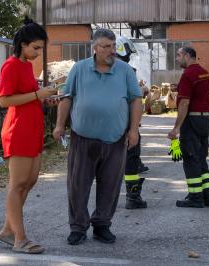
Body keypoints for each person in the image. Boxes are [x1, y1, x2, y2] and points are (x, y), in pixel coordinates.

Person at [53, 28, 143, 245]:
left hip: (115, 139)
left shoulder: (125, 71)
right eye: (106, 47)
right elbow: (67, 98)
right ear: (94, 47)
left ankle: (102, 225)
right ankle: (78, 227)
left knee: (110, 186)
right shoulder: (80, 69)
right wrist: (59, 126)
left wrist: (133, 130)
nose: (111, 51)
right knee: (77, 186)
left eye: (113, 47)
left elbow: (136, 100)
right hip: (83, 138)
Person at [0, 17, 55, 254]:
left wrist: (45, 99)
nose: (39, 53)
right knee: (17, 184)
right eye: (36, 48)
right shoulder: (10, 65)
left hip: (32, 129)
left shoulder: (27, 67)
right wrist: (37, 95)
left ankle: (8, 231)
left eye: (41, 48)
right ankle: (20, 239)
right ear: (23, 44)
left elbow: (29, 97)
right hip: (18, 130)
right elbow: (3, 100)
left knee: (28, 182)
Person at [167, 46, 209, 208]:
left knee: (191, 158)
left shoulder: (187, 74)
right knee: (201, 158)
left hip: (192, 121)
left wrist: (176, 128)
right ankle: (208, 195)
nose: (177, 59)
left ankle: (196, 197)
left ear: (188, 56)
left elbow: (185, 102)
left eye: (179, 55)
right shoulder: (204, 72)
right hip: (205, 119)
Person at [115, 36, 148, 209]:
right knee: (131, 159)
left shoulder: (103, 68)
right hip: (125, 122)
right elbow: (134, 99)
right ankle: (133, 197)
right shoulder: (126, 70)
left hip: (109, 123)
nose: (128, 55)